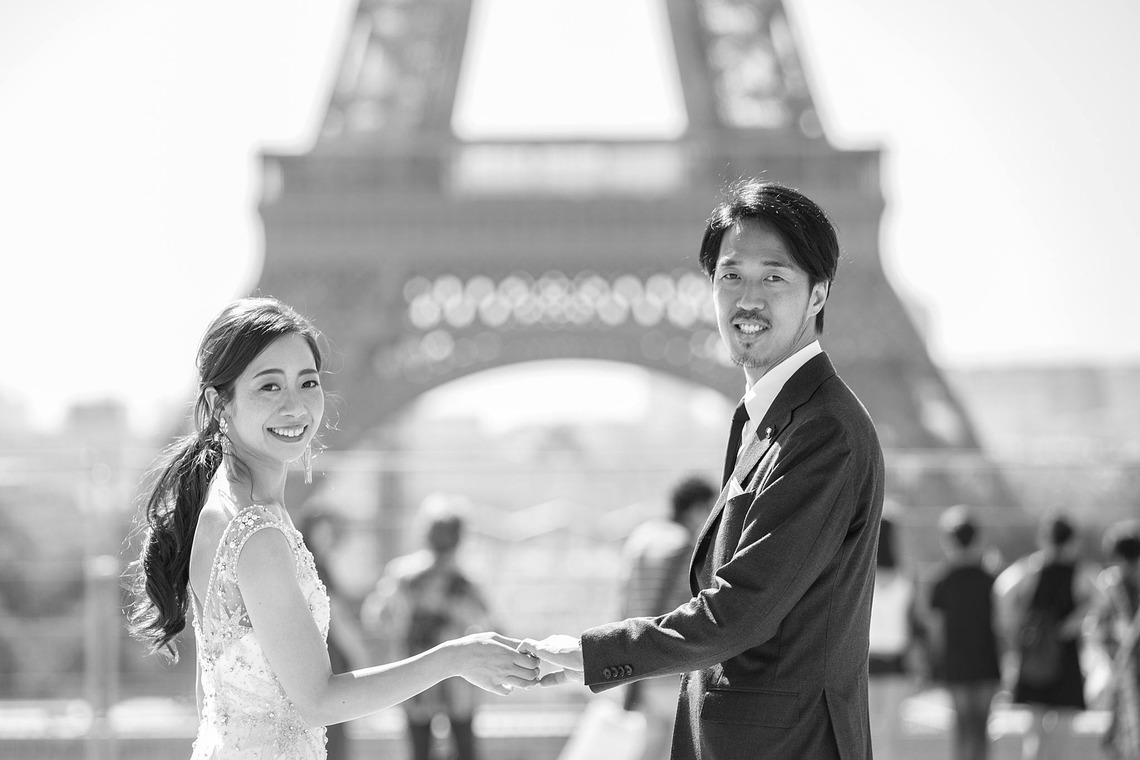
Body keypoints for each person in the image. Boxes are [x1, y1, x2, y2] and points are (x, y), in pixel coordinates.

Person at [522, 179, 886, 760]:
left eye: (774, 276)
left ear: (818, 295)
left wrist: (590, 654)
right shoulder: (770, 420)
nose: (748, 298)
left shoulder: (823, 432)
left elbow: (739, 613)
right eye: (731, 275)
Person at [125, 297, 539, 759]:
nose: (296, 405)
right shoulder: (256, 533)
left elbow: (212, 694)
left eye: (308, 382)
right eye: (269, 387)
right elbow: (318, 699)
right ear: (219, 405)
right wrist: (454, 658)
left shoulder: (224, 509)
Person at [362, 495, 494, 760]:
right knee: (465, 744)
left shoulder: (404, 575)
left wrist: (400, 630)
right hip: (460, 676)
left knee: (419, 747)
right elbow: (489, 624)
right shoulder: (465, 581)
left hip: (415, 671)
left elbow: (375, 617)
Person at [617, 476, 716, 760]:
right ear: (697, 508)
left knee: (651, 748)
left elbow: (623, 600)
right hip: (672, 664)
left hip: (638, 662)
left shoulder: (641, 537)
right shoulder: (686, 546)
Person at [994, 513, 1098, 760]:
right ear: (1072, 540)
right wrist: (1077, 620)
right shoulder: (1081, 572)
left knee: (1035, 727)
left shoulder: (1031, 568)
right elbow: (1101, 599)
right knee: (1062, 726)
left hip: (1034, 652)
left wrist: (1017, 628)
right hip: (1066, 654)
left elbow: (1003, 593)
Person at [922, 506, 1002, 760]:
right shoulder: (991, 579)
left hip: (956, 662)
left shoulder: (940, 580)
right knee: (981, 728)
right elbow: (1000, 624)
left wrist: (936, 664)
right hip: (986, 660)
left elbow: (936, 630)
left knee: (962, 727)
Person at [298, 509, 372, 760]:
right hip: (328, 656)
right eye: (323, 530)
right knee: (333, 736)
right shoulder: (314, 565)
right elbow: (338, 619)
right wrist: (361, 658)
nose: (328, 537)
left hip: (316, 656)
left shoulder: (312, 563)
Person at [867, 512, 917, 754]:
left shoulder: (863, 574)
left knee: (866, 732)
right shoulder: (906, 577)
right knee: (891, 734)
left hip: (866, 659)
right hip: (896, 660)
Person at [1091, 520, 1140, 760]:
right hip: (1121, 669)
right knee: (1120, 735)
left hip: (1129, 666)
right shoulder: (1110, 584)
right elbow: (1100, 628)